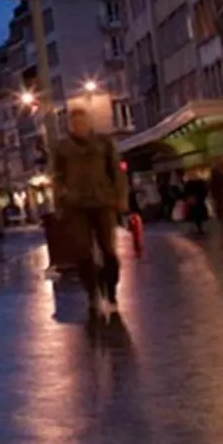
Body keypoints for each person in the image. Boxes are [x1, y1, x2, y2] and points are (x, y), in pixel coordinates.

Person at [51, 101, 127, 323]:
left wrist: (120, 198)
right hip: (76, 206)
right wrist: (61, 200)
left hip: (103, 202)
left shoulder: (104, 144)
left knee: (109, 251)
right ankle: (92, 293)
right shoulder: (63, 147)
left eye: (82, 122)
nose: (79, 126)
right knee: (83, 253)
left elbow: (116, 172)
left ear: (89, 123)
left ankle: (110, 291)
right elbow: (56, 176)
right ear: (70, 126)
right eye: (75, 123)